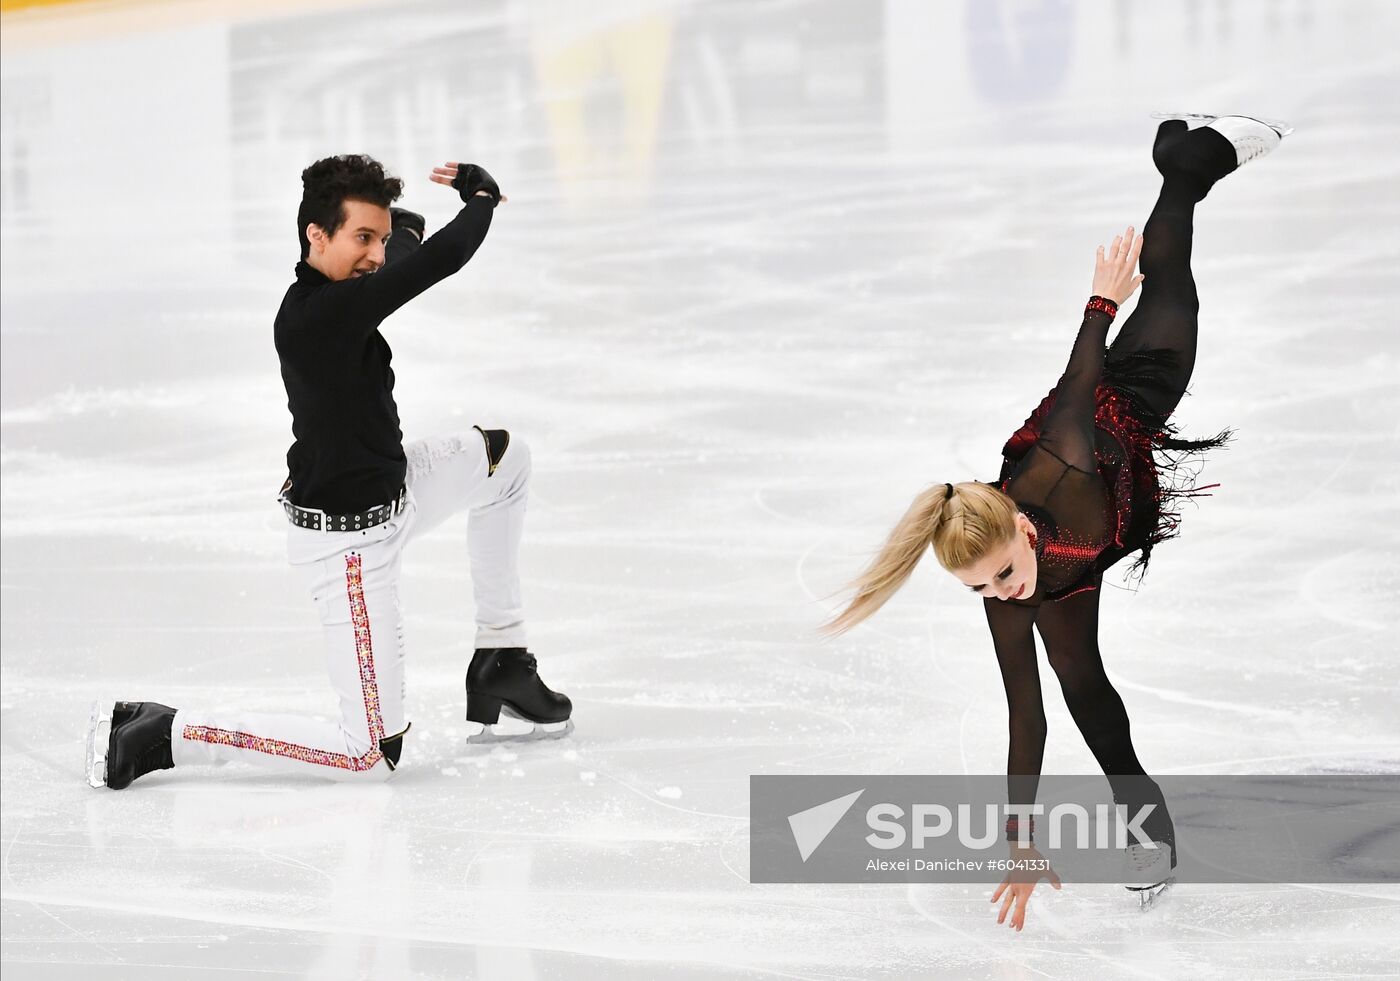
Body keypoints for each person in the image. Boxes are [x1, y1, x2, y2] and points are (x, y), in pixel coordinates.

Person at [825, 114, 1291, 929]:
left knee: (1172, 281)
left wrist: (1103, 299)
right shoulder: (1004, 587)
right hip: (1083, 531)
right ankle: (1151, 831)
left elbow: (1078, 387)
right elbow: (1024, 715)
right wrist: (1020, 838)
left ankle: (1188, 163)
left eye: (1002, 574)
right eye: (981, 588)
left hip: (1125, 405)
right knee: (1077, 686)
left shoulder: (1065, 468)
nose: (1003, 596)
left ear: (1026, 533)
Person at [87, 153, 572, 791]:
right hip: (351, 548)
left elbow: (398, 258)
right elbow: (435, 261)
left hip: (398, 492)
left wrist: (395, 232)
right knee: (370, 756)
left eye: (377, 235)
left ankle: (502, 654)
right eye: (359, 238)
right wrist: (480, 198)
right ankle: (163, 734)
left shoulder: (343, 291)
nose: (373, 252)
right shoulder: (320, 316)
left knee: (506, 461)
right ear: (316, 236)